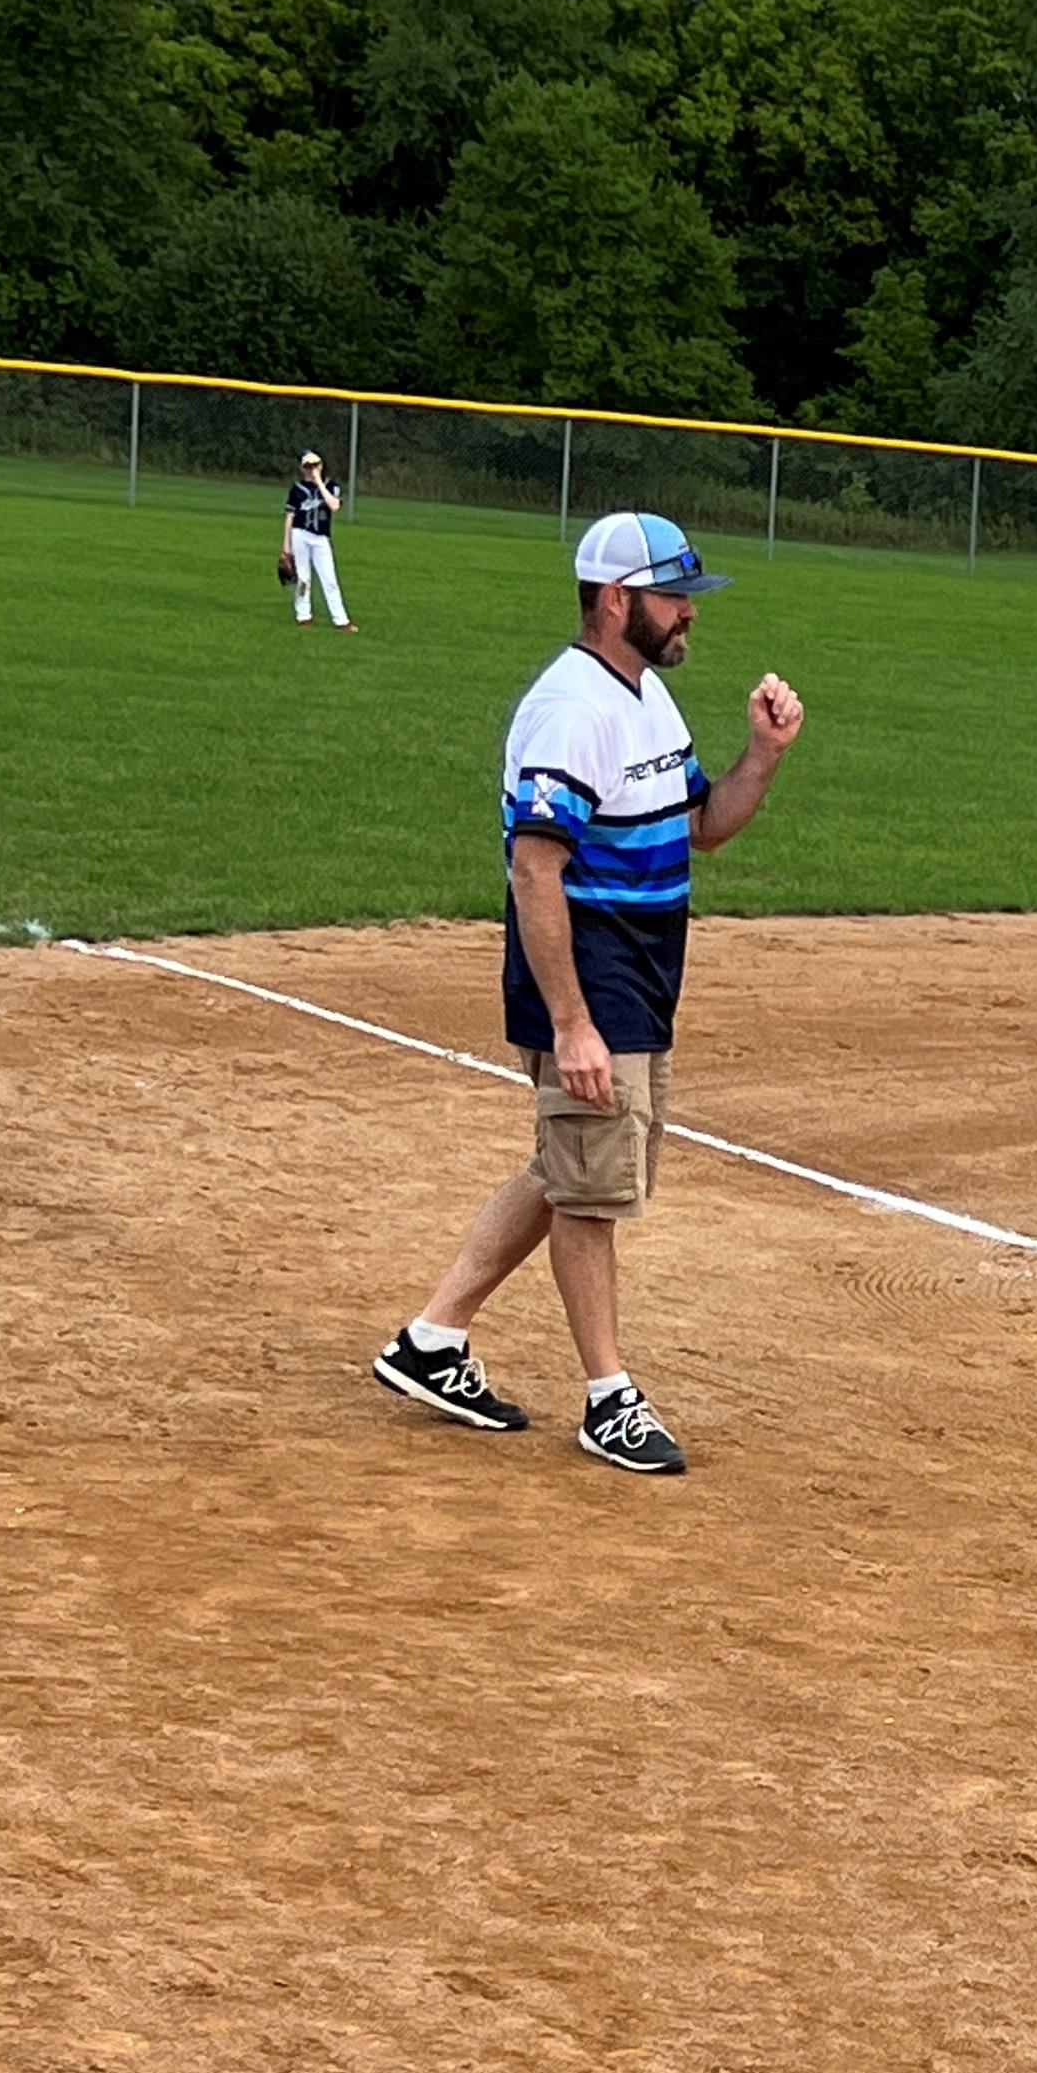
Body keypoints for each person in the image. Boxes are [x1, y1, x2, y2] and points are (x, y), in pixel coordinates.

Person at [372, 512, 804, 1476]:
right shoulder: (575, 709)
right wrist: (571, 1023)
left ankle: (431, 1341)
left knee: (574, 1167)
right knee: (592, 1194)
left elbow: (702, 826)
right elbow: (535, 869)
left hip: (641, 980)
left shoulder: (646, 697)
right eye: (673, 597)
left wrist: (764, 756)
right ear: (618, 600)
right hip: (591, 982)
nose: (690, 614)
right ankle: (609, 1397)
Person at [281, 452, 354, 630]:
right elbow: (290, 517)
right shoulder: (297, 488)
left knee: (329, 579)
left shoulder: (331, 486)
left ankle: (341, 620)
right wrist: (286, 545)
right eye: (307, 466)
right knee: (303, 578)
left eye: (314, 465)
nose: (311, 469)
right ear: (302, 468)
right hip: (300, 534)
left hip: (321, 538)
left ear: (321, 465)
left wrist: (319, 482)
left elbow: (334, 506)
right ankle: (303, 616)